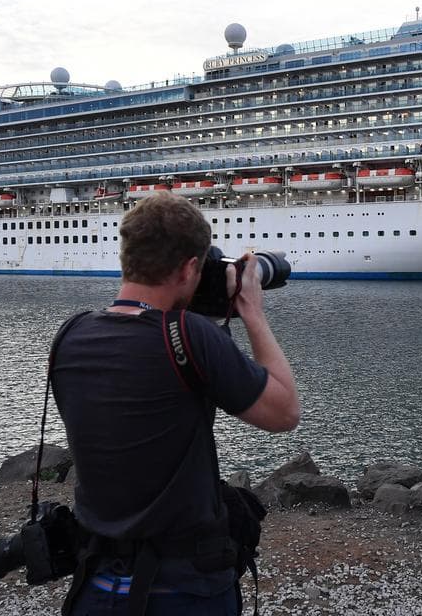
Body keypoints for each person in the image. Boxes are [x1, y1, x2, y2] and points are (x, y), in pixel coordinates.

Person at [50, 193, 299, 616]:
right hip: (184, 588)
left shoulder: (70, 336)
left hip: (96, 580)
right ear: (188, 268)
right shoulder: (187, 336)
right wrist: (252, 312)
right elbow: (284, 412)